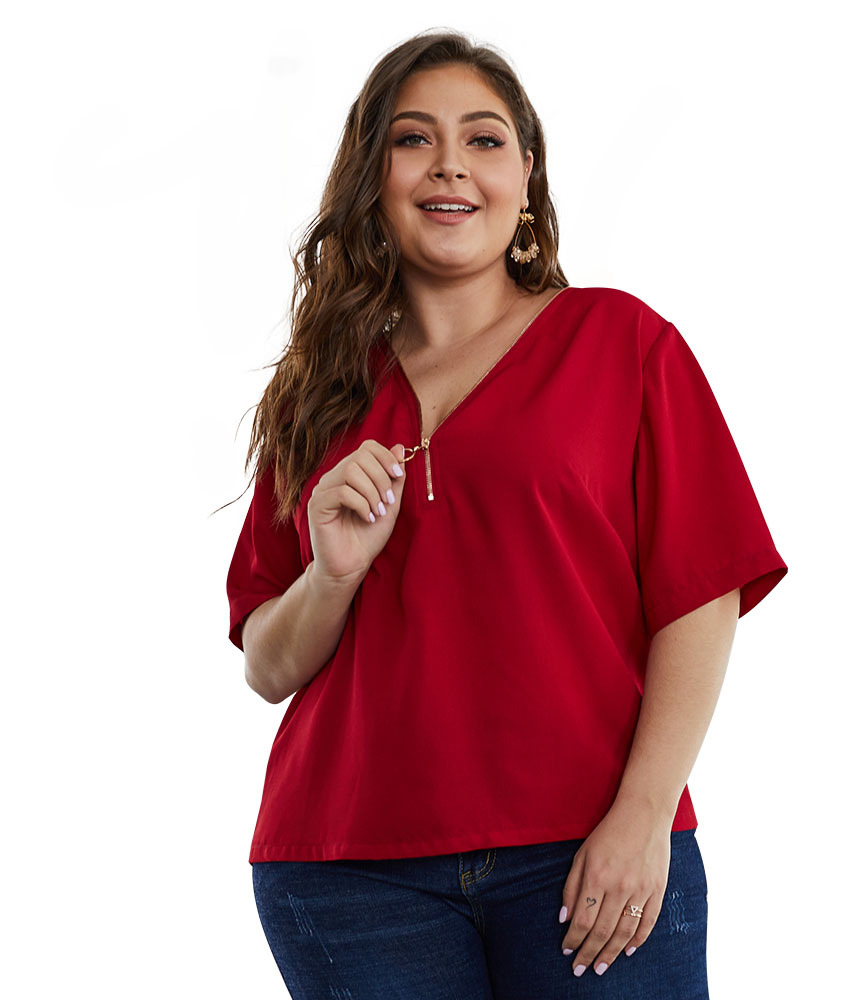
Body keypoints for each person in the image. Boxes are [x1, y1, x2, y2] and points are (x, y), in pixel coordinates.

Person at [224, 29, 787, 1000]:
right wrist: (332, 572)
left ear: (526, 177)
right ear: (373, 178)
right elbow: (268, 665)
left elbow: (701, 594)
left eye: (482, 139)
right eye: (413, 139)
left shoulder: (621, 343)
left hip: (588, 848)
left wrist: (642, 813)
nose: (449, 164)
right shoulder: (322, 392)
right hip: (350, 871)